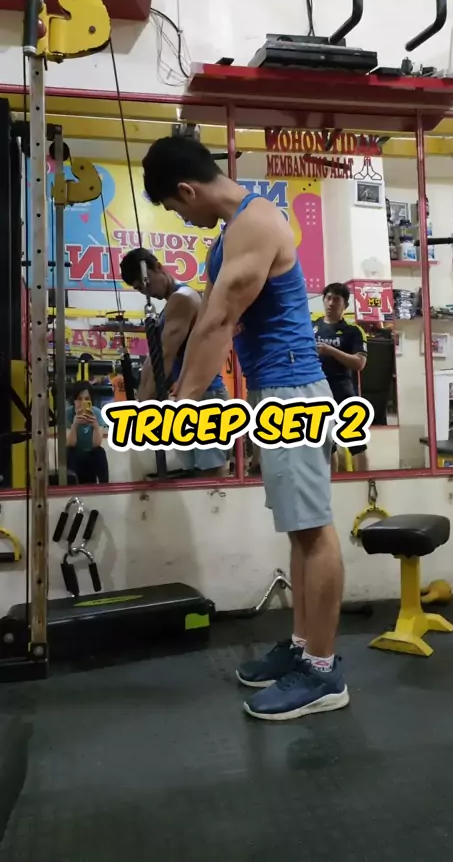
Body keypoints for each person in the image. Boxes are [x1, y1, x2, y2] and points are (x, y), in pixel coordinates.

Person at [142, 135, 348, 723]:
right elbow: (211, 320)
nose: (182, 218)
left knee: (314, 530)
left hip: (293, 390)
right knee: (300, 530)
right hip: (273, 389)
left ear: (187, 190)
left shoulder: (255, 224)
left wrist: (181, 402)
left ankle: (323, 671)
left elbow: (218, 322)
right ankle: (304, 647)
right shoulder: (233, 232)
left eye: (176, 208)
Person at [120, 247, 230, 478]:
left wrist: (143, 405)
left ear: (159, 268)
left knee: (211, 476)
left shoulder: (182, 299)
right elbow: (156, 357)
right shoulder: (172, 304)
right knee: (193, 475)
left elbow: (164, 356)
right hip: (189, 397)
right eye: (139, 289)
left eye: (145, 284)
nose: (145, 292)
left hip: (205, 396)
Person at [314, 283, 369, 473]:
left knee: (356, 443)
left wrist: (330, 350)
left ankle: (365, 483)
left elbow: (359, 363)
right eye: (328, 298)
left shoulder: (353, 331)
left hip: (343, 391)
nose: (331, 303)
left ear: (345, 304)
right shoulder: (312, 326)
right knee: (326, 444)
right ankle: (332, 485)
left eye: (336, 299)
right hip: (317, 392)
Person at [66, 382, 109, 484]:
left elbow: (97, 444)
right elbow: (70, 443)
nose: (83, 402)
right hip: (76, 458)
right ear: (74, 400)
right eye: (79, 399)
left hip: (91, 457)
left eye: (86, 399)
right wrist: (75, 425)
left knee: (100, 452)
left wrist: (95, 425)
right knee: (69, 452)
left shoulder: (96, 413)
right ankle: (70, 486)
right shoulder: (68, 413)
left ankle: (105, 487)